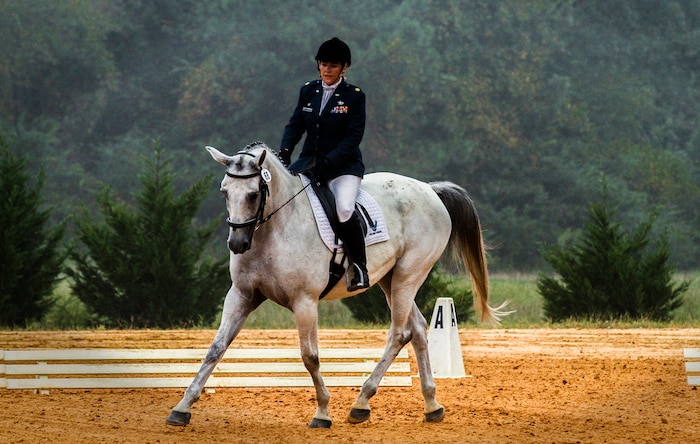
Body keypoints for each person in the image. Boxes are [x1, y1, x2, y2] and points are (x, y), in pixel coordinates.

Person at [279, 37, 369, 292]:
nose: (327, 70)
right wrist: (285, 151)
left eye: (333, 65)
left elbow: (353, 137)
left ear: (344, 68)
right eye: (323, 64)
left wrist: (330, 161)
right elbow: (295, 124)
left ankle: (359, 266)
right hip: (309, 163)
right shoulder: (308, 90)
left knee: (343, 210)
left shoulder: (354, 97)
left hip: (344, 167)